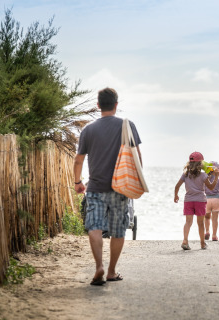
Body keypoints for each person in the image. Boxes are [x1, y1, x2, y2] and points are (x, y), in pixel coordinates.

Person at [73, 87, 142, 286]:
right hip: (121, 187)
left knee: (94, 227)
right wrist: (137, 183)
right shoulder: (127, 126)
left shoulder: (88, 129)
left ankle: (99, 267)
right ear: (116, 105)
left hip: (95, 187)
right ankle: (111, 271)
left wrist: (78, 182)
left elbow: (79, 160)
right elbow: (137, 157)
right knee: (118, 229)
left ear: (98, 106)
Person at [174, 152, 219, 250]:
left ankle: (185, 241)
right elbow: (211, 187)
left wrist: (176, 195)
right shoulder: (203, 175)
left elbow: (177, 186)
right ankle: (202, 244)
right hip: (200, 201)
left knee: (188, 222)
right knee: (200, 223)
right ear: (201, 164)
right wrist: (216, 177)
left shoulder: (185, 174)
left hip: (188, 201)